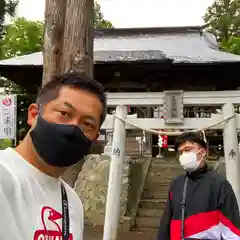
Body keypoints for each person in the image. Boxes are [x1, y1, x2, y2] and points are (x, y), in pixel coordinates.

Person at [0, 71, 106, 239]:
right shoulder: (4, 175)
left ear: (95, 137)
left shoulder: (72, 202)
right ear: (34, 114)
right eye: (64, 113)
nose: (73, 128)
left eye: (87, 124)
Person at [157, 132, 240, 240]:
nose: (183, 155)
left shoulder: (219, 183)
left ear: (202, 152)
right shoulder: (177, 183)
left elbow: (231, 228)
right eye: (180, 152)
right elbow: (166, 223)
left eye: (187, 149)